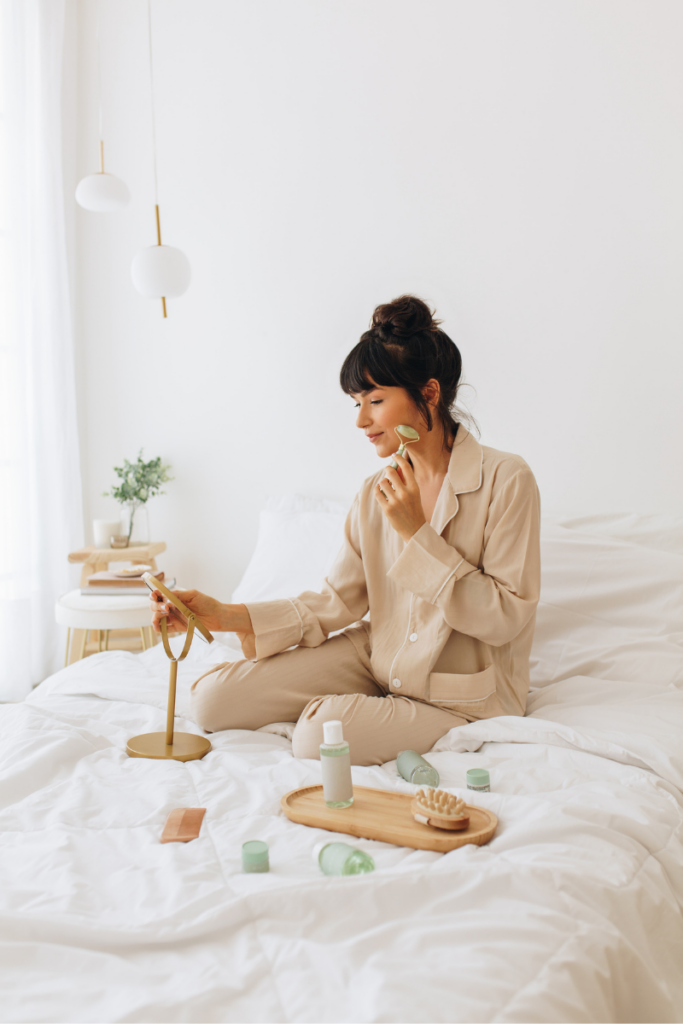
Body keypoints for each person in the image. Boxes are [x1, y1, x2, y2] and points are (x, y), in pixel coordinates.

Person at [149, 294, 541, 766]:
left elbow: (504, 617)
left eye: (375, 401)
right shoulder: (376, 490)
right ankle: (370, 709)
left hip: (461, 693)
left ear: (430, 394)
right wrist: (224, 615)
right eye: (357, 403)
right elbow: (339, 602)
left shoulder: (506, 479)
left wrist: (417, 535)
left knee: (317, 737)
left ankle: (381, 717)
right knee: (212, 701)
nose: (361, 421)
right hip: (378, 657)